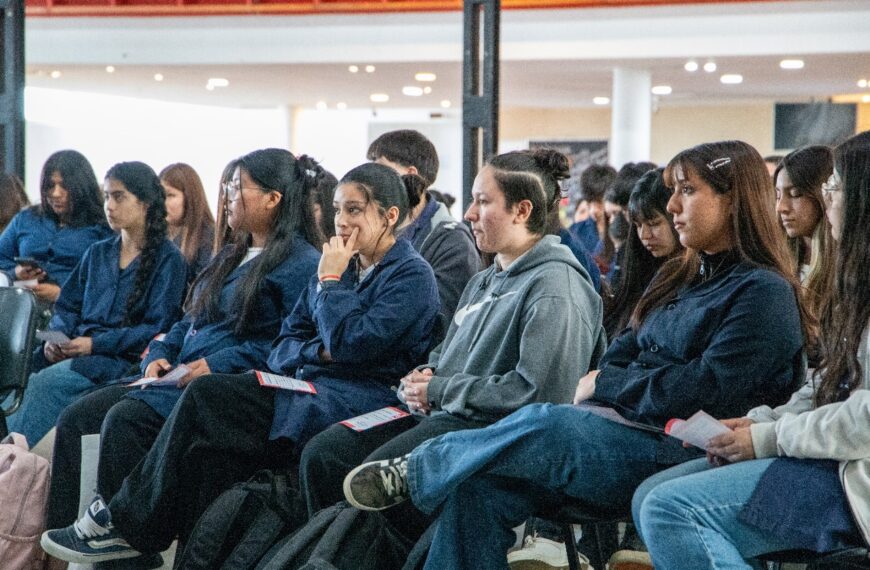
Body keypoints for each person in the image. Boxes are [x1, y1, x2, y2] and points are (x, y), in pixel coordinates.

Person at [342, 140, 810, 569]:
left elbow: (704, 389)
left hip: (691, 451)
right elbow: (623, 354)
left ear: (733, 199)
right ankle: (431, 470)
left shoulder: (763, 293)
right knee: (478, 487)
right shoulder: (678, 278)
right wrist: (618, 382)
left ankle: (421, 467)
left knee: (550, 420)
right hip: (622, 430)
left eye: (687, 191)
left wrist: (609, 386)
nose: (671, 207)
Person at [41, 162, 442, 564]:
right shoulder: (337, 264)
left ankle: (127, 525)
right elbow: (287, 344)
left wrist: (331, 288)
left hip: (358, 399)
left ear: (390, 216)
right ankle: (134, 533)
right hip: (306, 384)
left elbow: (353, 345)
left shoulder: (408, 275)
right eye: (337, 209)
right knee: (192, 442)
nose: (340, 221)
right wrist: (319, 351)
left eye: (353, 210)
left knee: (208, 394)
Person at [41, 150, 326, 569]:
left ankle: (125, 539)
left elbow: (286, 343)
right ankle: (81, 545)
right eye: (227, 185)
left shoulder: (301, 263)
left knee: (125, 419)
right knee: (81, 415)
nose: (226, 196)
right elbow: (186, 321)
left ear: (273, 199)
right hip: (177, 372)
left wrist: (219, 363)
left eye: (237, 187)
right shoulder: (229, 253)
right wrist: (158, 353)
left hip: (222, 381)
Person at [300, 149, 604, 533]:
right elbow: (446, 351)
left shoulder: (556, 287)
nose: (469, 214)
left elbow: (540, 396)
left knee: (369, 485)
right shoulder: (484, 279)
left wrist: (440, 388)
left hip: (489, 430)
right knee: (325, 455)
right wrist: (424, 376)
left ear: (521, 211)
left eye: (482, 201)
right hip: (443, 411)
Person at [633, 130, 870, 570]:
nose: (671, 209)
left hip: (853, 476)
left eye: (832, 189)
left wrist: (768, 437)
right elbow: (833, 382)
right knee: (650, 496)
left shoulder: (763, 288)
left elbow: (865, 416)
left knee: (669, 509)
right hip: (828, 456)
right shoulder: (852, 283)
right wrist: (765, 420)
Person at [6, 161, 188, 447]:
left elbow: (158, 328)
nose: (109, 206)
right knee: (20, 369)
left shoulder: (169, 260)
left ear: (145, 203)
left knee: (46, 384)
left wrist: (93, 344)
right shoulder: (98, 252)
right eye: (106, 197)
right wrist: (58, 337)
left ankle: (12, 462)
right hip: (77, 350)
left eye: (118, 196)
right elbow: (68, 306)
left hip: (118, 361)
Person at [367, 129, 481, 322]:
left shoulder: (452, 241)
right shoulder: (377, 230)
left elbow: (441, 321)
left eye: (382, 171)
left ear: (410, 174)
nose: (372, 182)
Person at [0, 150, 112, 304]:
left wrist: (62, 294)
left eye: (64, 186)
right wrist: (15, 273)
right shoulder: (27, 219)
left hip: (74, 312)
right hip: (22, 304)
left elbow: (106, 283)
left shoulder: (102, 227)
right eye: (50, 186)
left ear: (81, 187)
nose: (56, 193)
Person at [773, 146, 836, 365]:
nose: (781, 207)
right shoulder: (778, 263)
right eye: (778, 195)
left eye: (795, 194)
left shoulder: (846, 267)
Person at [604, 168, 682, 339]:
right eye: (638, 225)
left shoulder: (697, 276)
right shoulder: (639, 269)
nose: (644, 235)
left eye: (654, 223)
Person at [159, 163, 216, 280]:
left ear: (190, 197)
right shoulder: (158, 235)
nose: (162, 202)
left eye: (170, 195)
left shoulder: (208, 236)